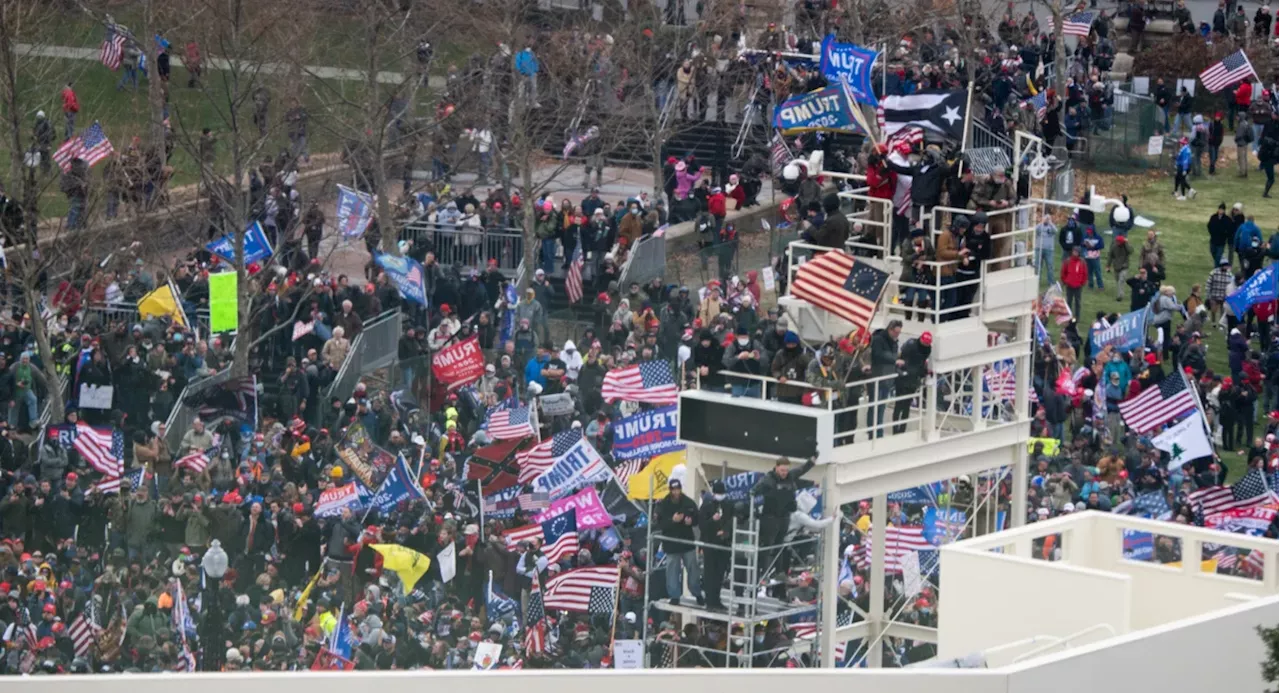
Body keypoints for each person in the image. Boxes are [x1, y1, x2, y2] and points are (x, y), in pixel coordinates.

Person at [655, 478, 702, 606]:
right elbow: (659, 524)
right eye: (673, 490)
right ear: (670, 490)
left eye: (678, 489)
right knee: (672, 571)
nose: (676, 492)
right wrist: (672, 520)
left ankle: (697, 593)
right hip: (671, 544)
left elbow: (697, 518)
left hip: (687, 542)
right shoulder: (664, 504)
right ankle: (674, 596)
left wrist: (691, 521)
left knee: (693, 570)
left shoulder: (688, 502)